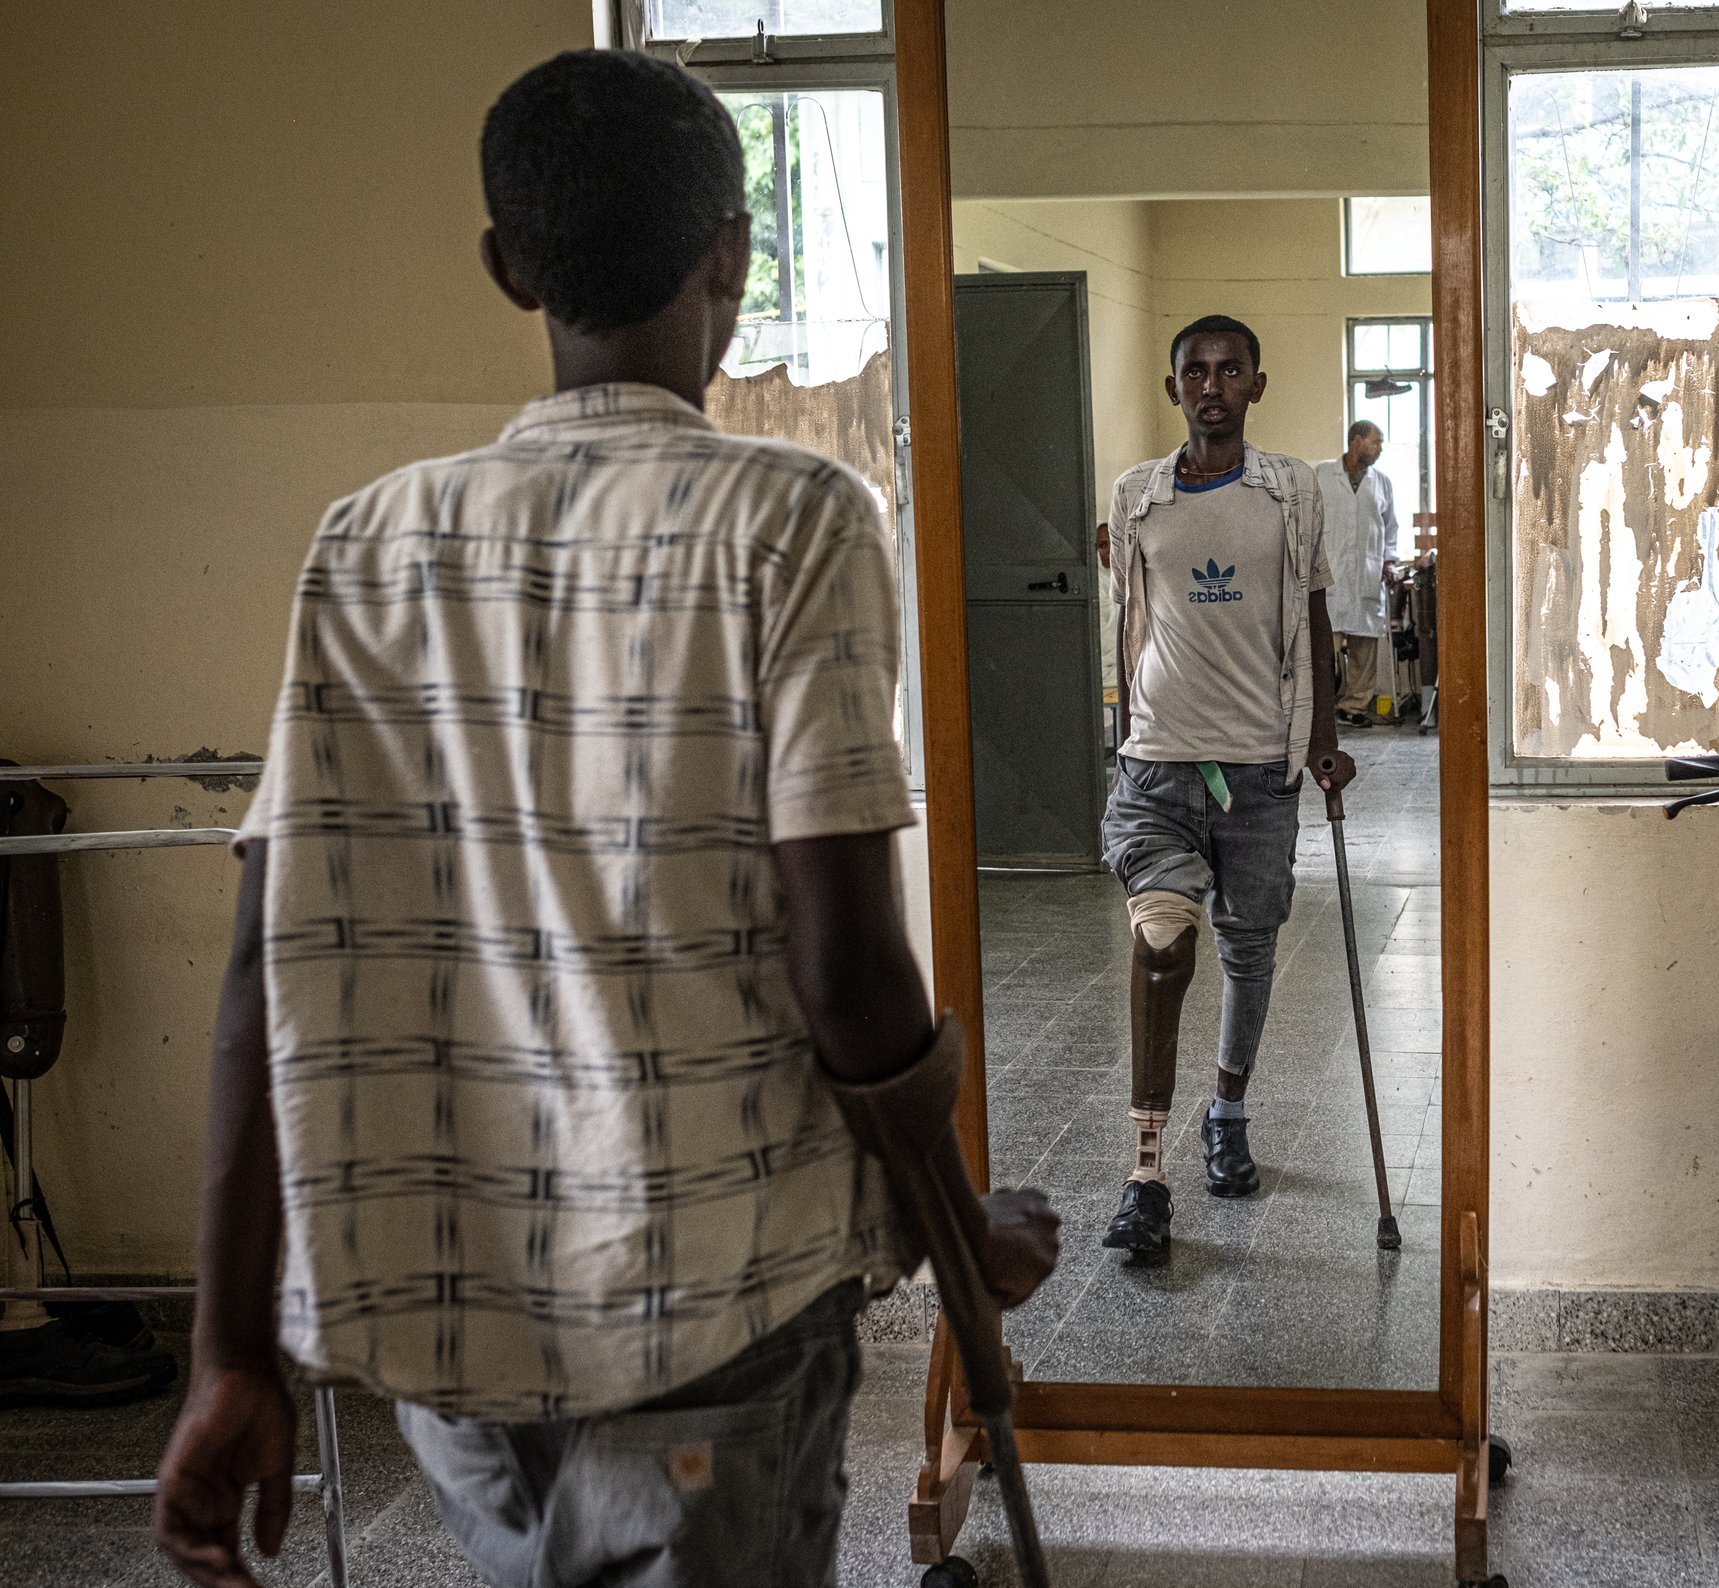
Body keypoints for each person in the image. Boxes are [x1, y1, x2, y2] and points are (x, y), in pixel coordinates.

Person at [150, 51, 1058, 1588]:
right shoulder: (795, 517)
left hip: (456, 1329)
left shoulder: (369, 543)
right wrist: (959, 1234)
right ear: (733, 255)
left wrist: (229, 1353)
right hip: (710, 1313)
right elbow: (846, 974)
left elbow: (265, 964)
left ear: (509, 270)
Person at [1097, 315, 1342, 1262]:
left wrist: (1322, 737)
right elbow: (1132, 625)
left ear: (1256, 384)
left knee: (1249, 953)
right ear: (1173, 391)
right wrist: (1123, 738)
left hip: (1258, 770)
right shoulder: (1137, 499)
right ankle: (1145, 1173)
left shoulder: (1293, 496)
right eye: (1195, 371)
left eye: (1229, 369)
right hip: (1159, 764)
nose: (1212, 385)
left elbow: (1312, 615)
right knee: (1163, 946)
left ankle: (1227, 1112)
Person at [1317, 421, 1401, 728]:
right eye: (1375, 442)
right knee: (1323, 647)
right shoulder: (1323, 474)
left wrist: (1390, 561)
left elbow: (1391, 527)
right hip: (1330, 573)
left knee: (1364, 648)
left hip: (1367, 573)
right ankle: (1321, 707)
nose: (1379, 449)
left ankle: (1353, 706)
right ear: (1356, 440)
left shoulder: (1382, 482)